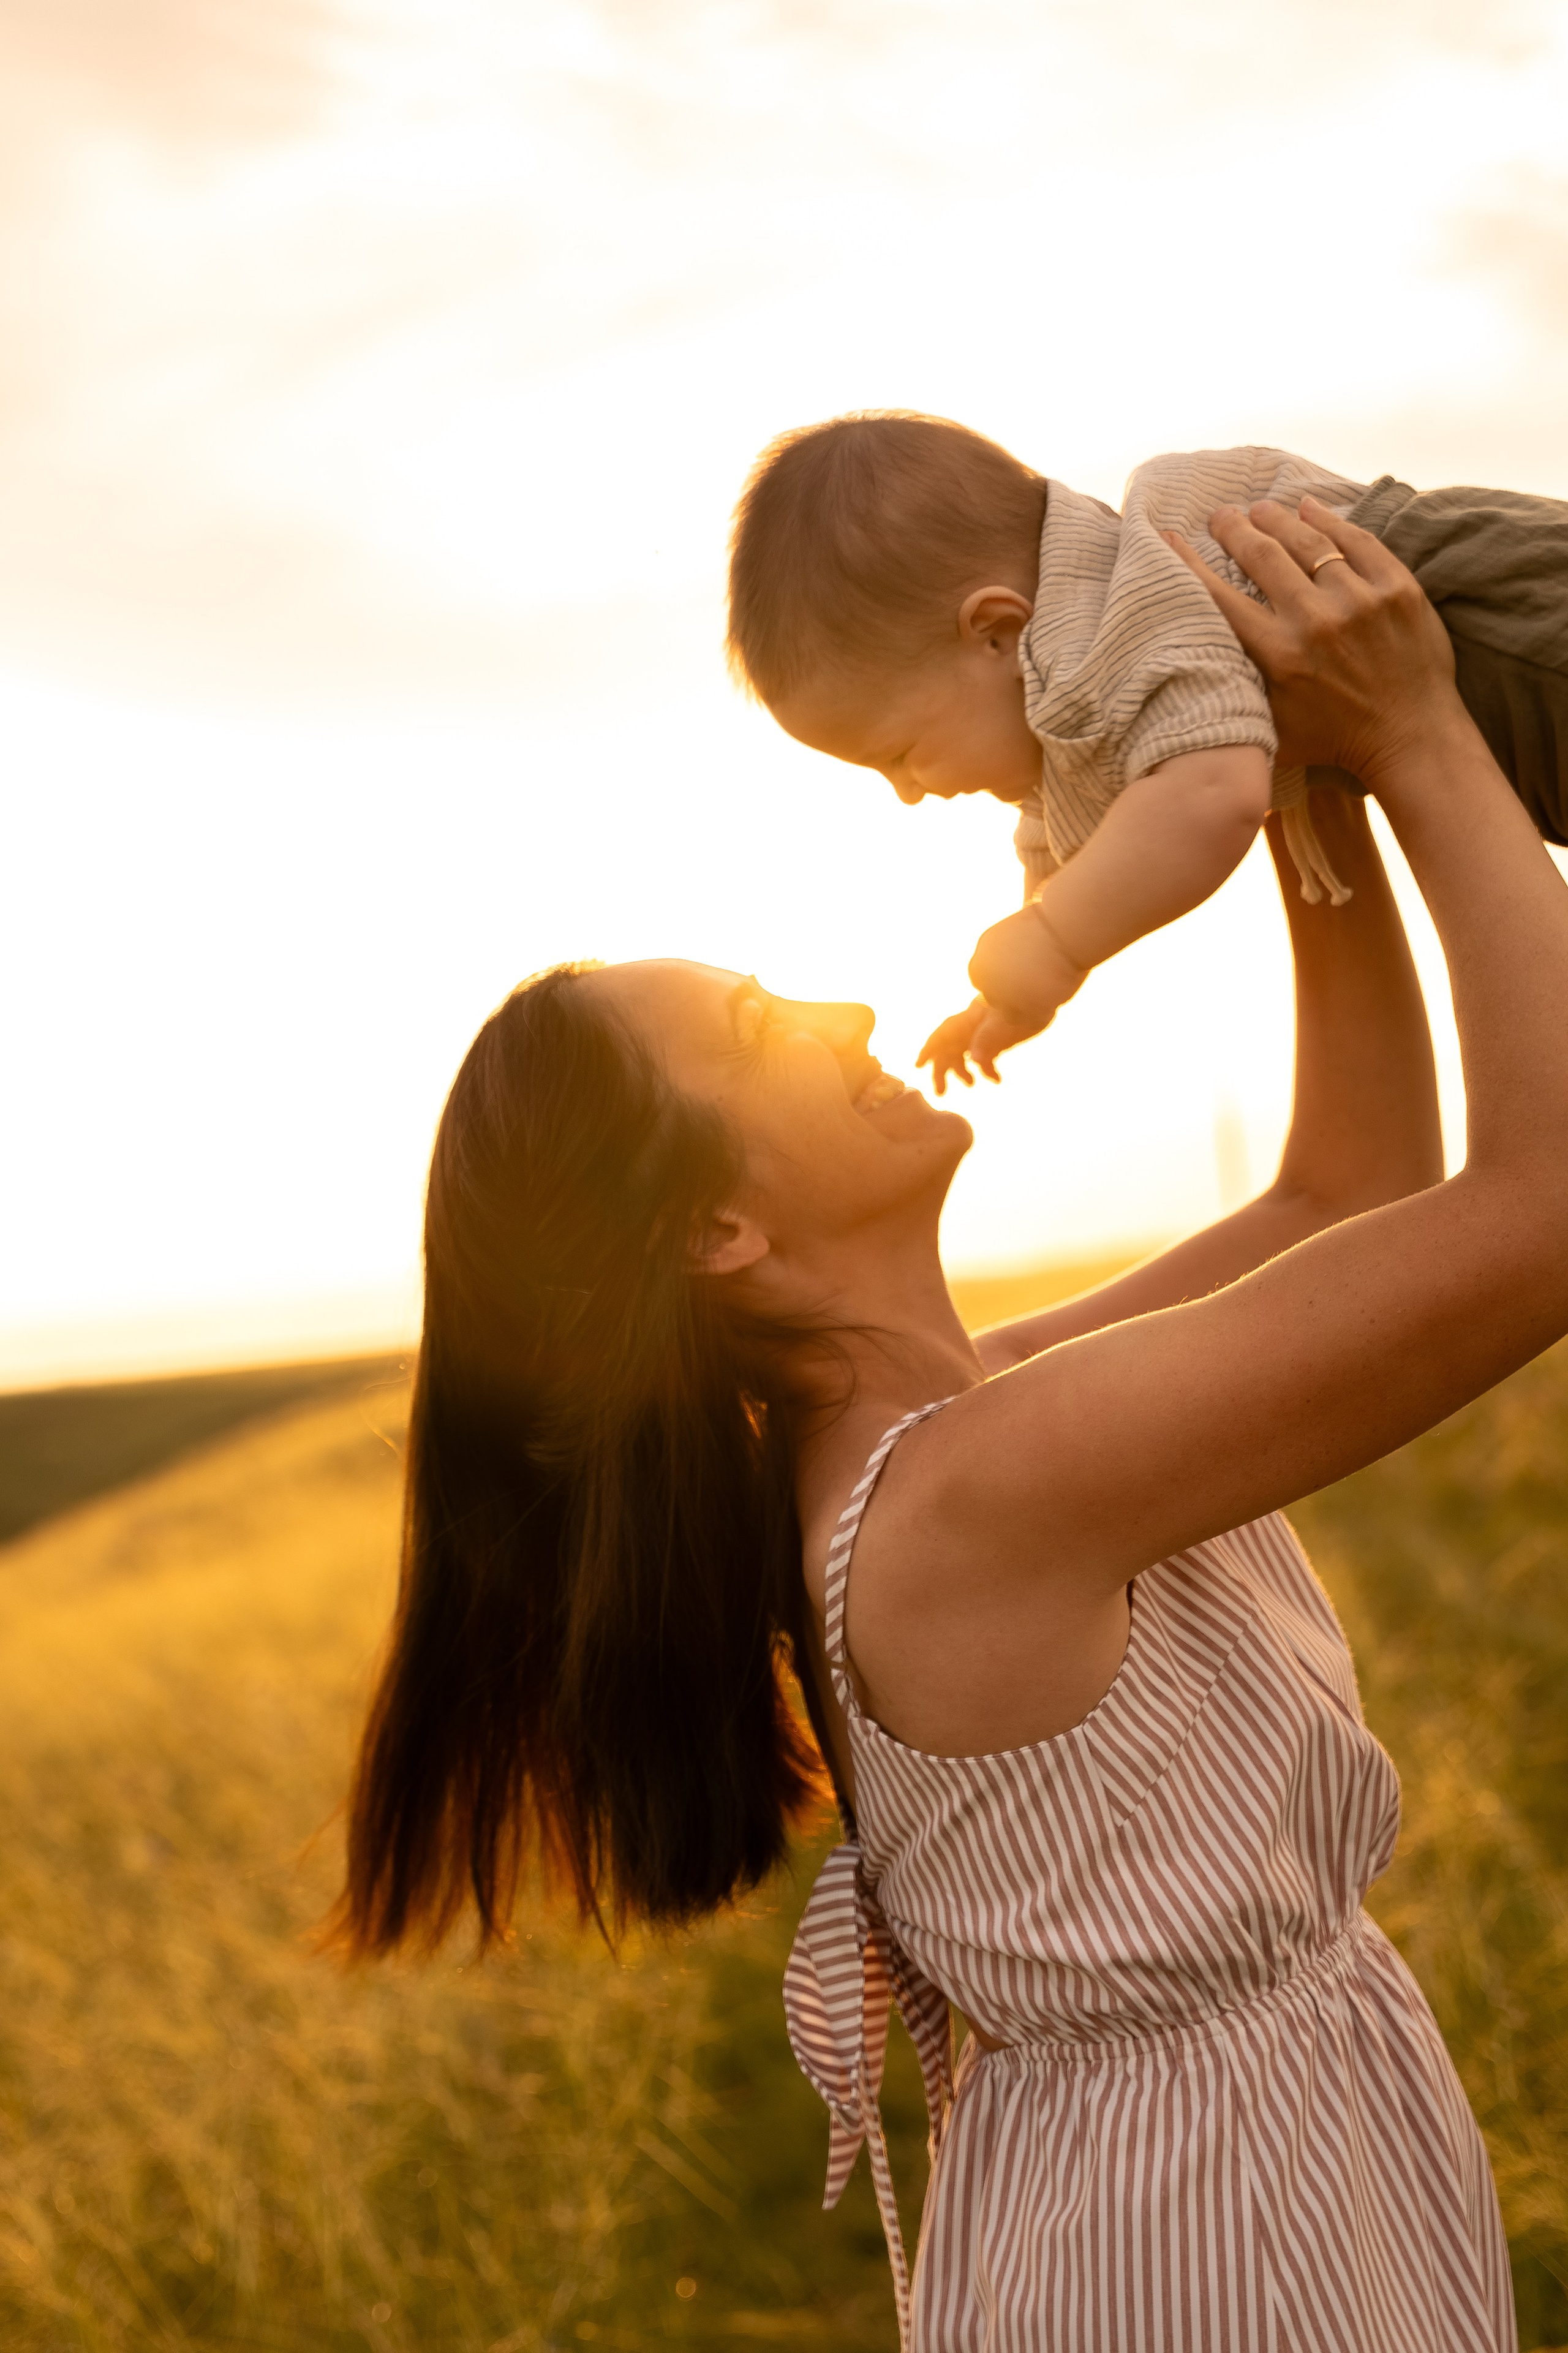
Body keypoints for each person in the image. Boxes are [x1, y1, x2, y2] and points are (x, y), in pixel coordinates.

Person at [333, 503, 1567, 2352]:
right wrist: (1413, 735)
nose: (837, 1000)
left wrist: (1296, 781)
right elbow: (1540, 1210)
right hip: (1214, 2240)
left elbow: (1346, 1190)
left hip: (1222, 2172)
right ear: (719, 1232)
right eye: (761, 1022)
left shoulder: (959, 1426)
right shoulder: (985, 1488)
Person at [726, 412, 1568, 1092]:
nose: (907, 794)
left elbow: (1212, 794)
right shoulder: (1064, 704)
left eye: (900, 754)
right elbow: (1065, 848)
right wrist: (1012, 992)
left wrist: (1057, 945)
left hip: (1524, 637)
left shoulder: (1130, 606)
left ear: (996, 630)